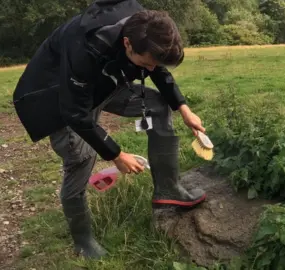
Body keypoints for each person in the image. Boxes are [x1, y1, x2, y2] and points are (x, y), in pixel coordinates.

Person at [12, 0, 207, 259]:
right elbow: (75, 112)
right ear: (127, 43)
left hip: (103, 80)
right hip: (56, 96)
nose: (150, 71)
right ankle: (83, 241)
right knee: (81, 158)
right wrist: (116, 154)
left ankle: (167, 189)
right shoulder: (84, 47)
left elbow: (155, 64)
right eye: (145, 64)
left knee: (159, 105)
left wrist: (183, 108)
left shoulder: (146, 27)